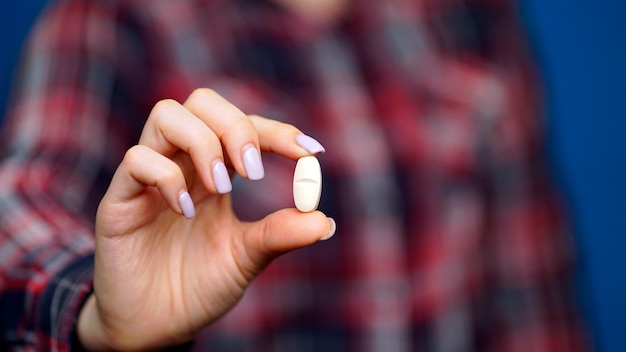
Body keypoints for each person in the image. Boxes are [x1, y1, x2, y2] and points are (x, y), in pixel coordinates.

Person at [0, 0, 589, 350]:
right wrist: (97, 316)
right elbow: (19, 210)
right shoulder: (116, 19)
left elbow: (533, 302)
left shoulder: (472, 15)